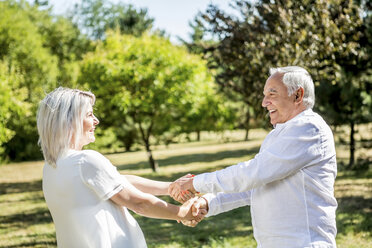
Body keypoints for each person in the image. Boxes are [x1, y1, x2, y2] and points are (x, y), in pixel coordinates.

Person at [171, 66, 338, 247]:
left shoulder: (308, 128)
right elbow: (257, 186)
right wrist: (208, 202)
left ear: (297, 95)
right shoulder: (281, 133)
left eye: (272, 95)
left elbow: (253, 174)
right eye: (265, 95)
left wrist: (195, 183)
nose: (264, 103)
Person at [37, 87, 202, 248]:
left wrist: (170, 188)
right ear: (69, 120)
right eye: (89, 114)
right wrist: (182, 213)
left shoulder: (52, 168)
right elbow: (139, 203)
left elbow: (118, 182)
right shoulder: (86, 161)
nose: (96, 120)